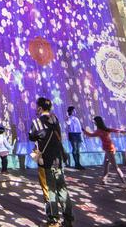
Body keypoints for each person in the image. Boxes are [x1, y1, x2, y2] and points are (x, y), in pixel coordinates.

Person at [29, 97, 73, 227]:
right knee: (62, 189)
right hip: (58, 160)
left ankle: (53, 220)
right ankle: (68, 219)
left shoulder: (37, 122)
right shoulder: (55, 119)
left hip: (46, 161)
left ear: (40, 108)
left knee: (49, 190)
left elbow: (31, 136)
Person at [84, 116, 126, 185]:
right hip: (110, 149)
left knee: (116, 167)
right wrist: (125, 131)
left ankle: (125, 183)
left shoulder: (99, 131)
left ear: (97, 122)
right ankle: (103, 180)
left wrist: (84, 131)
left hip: (109, 150)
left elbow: (90, 135)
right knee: (105, 165)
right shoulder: (106, 129)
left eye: (94, 122)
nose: (94, 123)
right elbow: (116, 130)